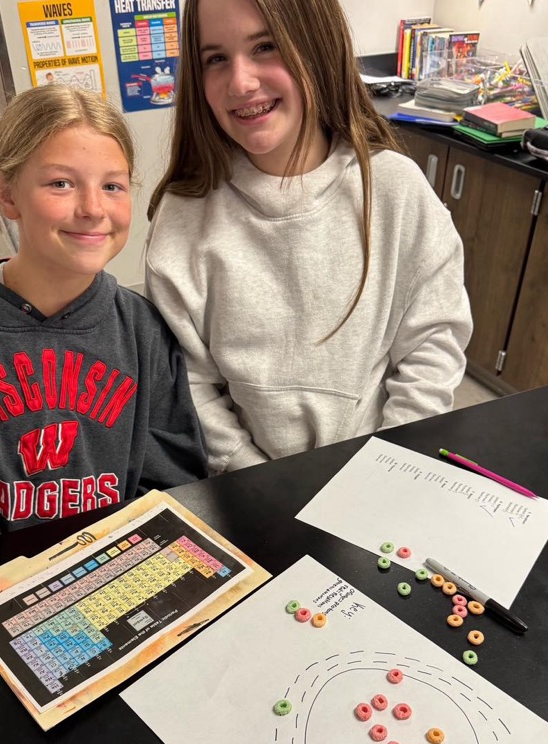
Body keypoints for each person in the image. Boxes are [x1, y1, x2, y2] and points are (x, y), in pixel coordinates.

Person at [0, 84, 207, 566]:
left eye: (112, 185)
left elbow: (173, 478)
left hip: (116, 577)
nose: (93, 208)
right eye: (61, 183)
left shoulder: (141, 328)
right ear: (6, 193)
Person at [145, 0, 473, 475]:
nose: (240, 82)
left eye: (265, 46)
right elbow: (188, 382)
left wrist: (390, 468)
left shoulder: (396, 190)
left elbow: (432, 346)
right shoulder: (182, 220)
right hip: (249, 492)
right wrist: (255, 477)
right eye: (215, 59)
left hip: (383, 477)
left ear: (318, 47)